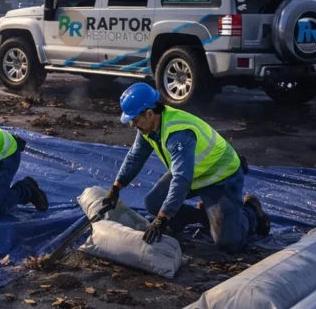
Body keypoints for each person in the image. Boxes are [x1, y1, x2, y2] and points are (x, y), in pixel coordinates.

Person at [102, 83, 270, 253]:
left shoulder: (178, 134)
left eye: (134, 120)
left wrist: (163, 218)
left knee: (228, 243)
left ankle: (250, 213)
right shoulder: (149, 128)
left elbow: (182, 179)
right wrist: (116, 188)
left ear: (150, 113)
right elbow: (135, 157)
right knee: (153, 202)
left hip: (220, 177)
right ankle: (206, 216)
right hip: (193, 173)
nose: (132, 125)